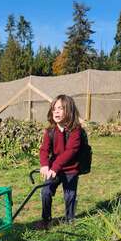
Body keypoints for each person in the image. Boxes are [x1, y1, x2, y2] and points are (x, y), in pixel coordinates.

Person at [37, 94, 83, 229]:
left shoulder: (75, 131)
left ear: (69, 111)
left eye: (60, 108)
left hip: (70, 169)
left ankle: (70, 220)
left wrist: (55, 167)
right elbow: (44, 150)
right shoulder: (50, 130)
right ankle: (46, 219)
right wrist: (45, 165)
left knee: (70, 195)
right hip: (53, 169)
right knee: (45, 192)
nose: (56, 111)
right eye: (54, 108)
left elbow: (70, 151)